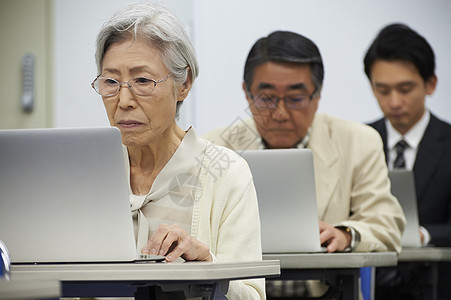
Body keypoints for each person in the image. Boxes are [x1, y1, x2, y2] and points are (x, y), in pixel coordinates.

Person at [203, 30, 406, 297]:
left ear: (317, 95)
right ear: (246, 92)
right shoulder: (215, 147)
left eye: (296, 98)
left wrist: (345, 234)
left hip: (323, 292)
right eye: (266, 98)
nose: (280, 113)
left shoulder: (357, 141)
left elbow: (387, 225)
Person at [90, 3, 264, 299]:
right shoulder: (90, 174)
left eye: (142, 81)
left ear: (184, 84)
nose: (124, 100)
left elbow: (252, 295)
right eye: (111, 82)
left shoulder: (226, 173)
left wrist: (207, 266)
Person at [364, 23, 451, 300]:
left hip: (437, 285)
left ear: (431, 84)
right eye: (382, 90)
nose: (394, 102)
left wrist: (422, 235)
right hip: (366, 285)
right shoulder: (360, 140)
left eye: (405, 89)